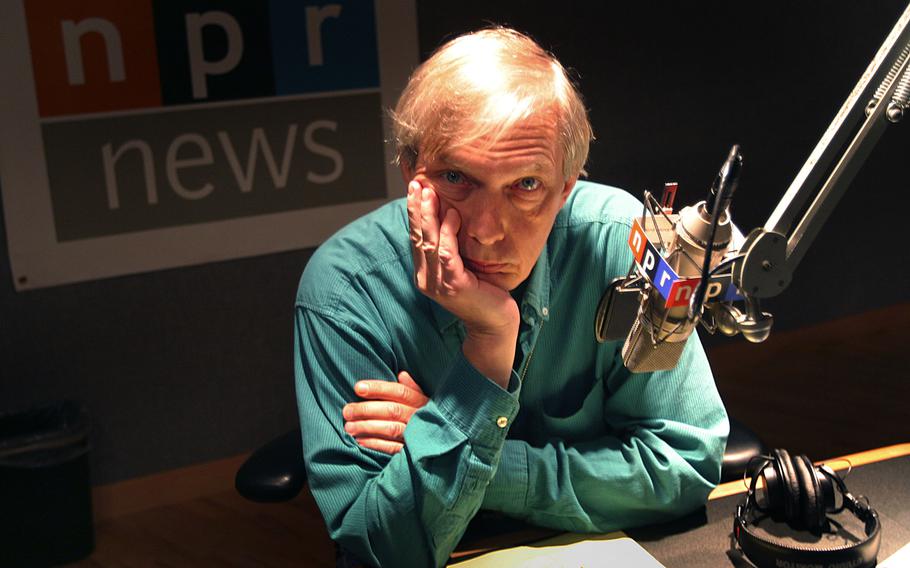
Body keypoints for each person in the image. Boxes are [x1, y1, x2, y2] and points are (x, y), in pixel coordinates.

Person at [294, 27, 729, 568]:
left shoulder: (619, 242)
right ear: (411, 174)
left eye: (526, 186)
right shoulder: (345, 289)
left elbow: (682, 465)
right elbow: (379, 548)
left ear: (567, 185)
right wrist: (489, 341)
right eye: (456, 177)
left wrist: (474, 456)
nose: (486, 230)